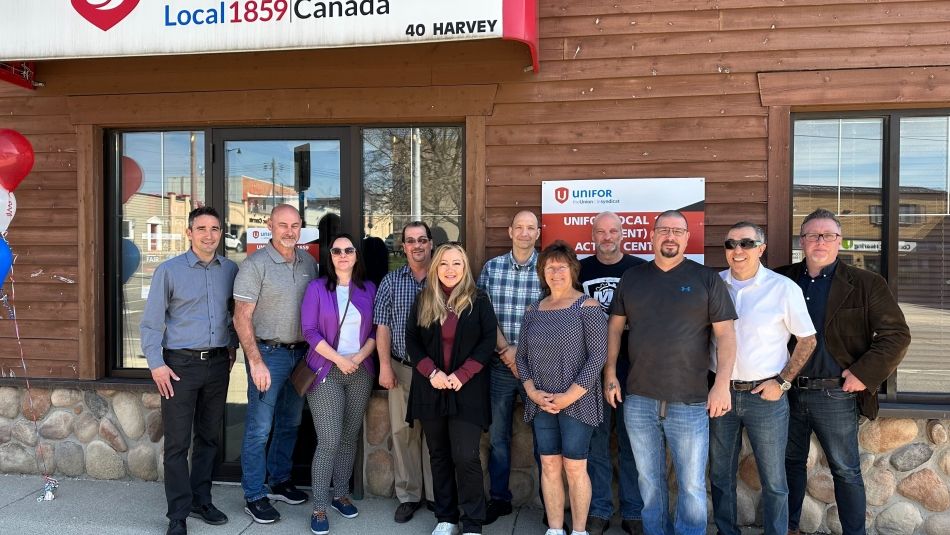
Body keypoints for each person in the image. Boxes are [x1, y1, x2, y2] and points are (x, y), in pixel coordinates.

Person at [776, 208, 911, 535]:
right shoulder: (780, 280)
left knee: (846, 471)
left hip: (835, 394)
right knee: (789, 466)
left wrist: (864, 373)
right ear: (802, 241)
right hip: (786, 391)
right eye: (812, 235)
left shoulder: (866, 283)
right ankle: (788, 528)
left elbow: (896, 335)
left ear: (839, 241)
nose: (820, 241)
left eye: (828, 235)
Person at [605, 209, 737, 535]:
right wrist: (610, 372)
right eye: (664, 230)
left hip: (690, 401)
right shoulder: (633, 278)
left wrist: (721, 385)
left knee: (691, 486)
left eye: (678, 231)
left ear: (687, 237)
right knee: (649, 483)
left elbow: (726, 336)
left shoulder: (706, 279)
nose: (670, 237)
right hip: (639, 399)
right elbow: (615, 329)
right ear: (652, 235)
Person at [709, 221, 817, 535]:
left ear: (761, 248)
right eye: (731, 244)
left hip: (765, 397)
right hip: (722, 393)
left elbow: (807, 339)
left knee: (774, 479)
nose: (737, 250)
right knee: (720, 475)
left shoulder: (783, 288)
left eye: (746, 243)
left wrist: (782, 383)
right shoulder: (714, 285)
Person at [140, 206, 238, 535]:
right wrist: (157, 365)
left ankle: (201, 499)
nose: (209, 235)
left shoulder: (230, 270)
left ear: (221, 233)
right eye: (202, 229)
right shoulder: (168, 271)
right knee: (178, 444)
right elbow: (151, 323)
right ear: (189, 233)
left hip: (216, 364)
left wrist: (232, 347)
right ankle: (178, 515)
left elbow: (236, 315)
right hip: (179, 366)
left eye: (215, 229)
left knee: (209, 438)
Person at [405, 243, 498, 535]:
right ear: (435, 268)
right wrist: (431, 372)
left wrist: (462, 374)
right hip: (431, 387)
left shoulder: (479, 300)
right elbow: (412, 342)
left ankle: (472, 522)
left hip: (467, 389)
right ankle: (446, 518)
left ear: (465, 268)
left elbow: (487, 342)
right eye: (444, 263)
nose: (450, 269)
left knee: (466, 455)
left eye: (457, 263)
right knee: (439, 454)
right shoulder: (424, 299)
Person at [233, 204, 317, 524]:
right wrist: (255, 361)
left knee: (290, 422)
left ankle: (279, 480)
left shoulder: (309, 262)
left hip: (300, 355)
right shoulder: (255, 265)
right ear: (270, 226)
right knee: (259, 428)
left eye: (295, 225)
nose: (289, 231)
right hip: (267, 355)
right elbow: (241, 318)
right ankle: (254, 494)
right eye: (282, 225)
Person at [517, 241, 607, 535]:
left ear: (573, 270)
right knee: (550, 466)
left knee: (574, 467)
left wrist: (569, 396)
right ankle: (555, 529)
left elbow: (598, 357)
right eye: (549, 267)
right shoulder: (533, 310)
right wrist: (531, 391)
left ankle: (579, 530)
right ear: (542, 273)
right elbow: (521, 356)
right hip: (541, 402)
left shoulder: (588, 307)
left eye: (562, 266)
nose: (556, 272)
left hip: (577, 403)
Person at [300, 234, 377, 535]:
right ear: (330, 257)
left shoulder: (368, 288)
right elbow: (309, 332)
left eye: (348, 250)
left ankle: (340, 494)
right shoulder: (317, 289)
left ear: (356, 255)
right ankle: (319, 506)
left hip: (361, 369)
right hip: (325, 371)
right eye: (336, 251)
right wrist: (340, 360)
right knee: (330, 440)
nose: (343, 254)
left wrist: (357, 358)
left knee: (349, 437)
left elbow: (376, 330)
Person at [578, 211, 646, 535]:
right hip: (591, 370)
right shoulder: (581, 270)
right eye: (601, 231)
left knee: (633, 444)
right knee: (597, 442)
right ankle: (600, 510)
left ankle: (634, 512)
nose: (607, 237)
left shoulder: (638, 269)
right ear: (593, 235)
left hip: (633, 370)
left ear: (623, 234)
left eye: (613, 231)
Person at [476, 210, 543, 524]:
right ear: (510, 231)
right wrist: (506, 350)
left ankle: (551, 506)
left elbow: (554, 316)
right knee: (499, 437)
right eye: (520, 227)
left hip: (540, 368)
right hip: (501, 366)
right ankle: (500, 499)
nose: (525, 233)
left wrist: (522, 354)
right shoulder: (492, 268)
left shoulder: (548, 269)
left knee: (546, 437)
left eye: (531, 228)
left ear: (538, 233)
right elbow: (483, 315)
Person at [373, 221, 436, 523]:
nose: (417, 246)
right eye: (410, 241)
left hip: (439, 373)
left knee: (436, 435)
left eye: (422, 239)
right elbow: (382, 326)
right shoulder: (390, 281)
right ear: (403, 246)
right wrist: (385, 366)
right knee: (404, 433)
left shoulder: (445, 278)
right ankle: (409, 495)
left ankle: (438, 497)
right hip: (402, 367)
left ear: (431, 243)